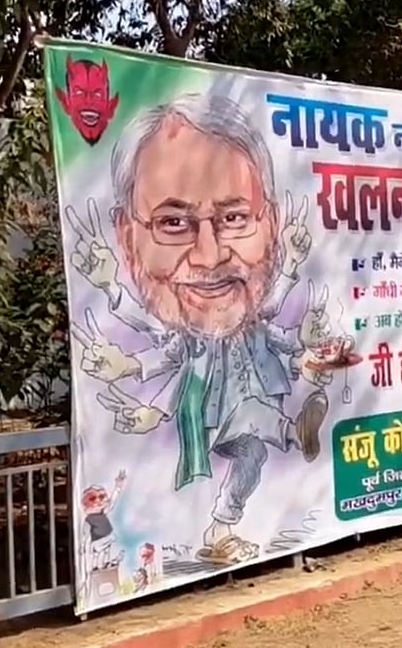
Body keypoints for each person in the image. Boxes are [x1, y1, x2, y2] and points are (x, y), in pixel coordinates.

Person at [65, 93, 333, 567]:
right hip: (216, 416)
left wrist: (312, 355)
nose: (210, 257)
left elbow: (284, 340)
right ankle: (226, 519)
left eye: (234, 219)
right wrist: (116, 327)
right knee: (251, 446)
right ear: (128, 240)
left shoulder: (255, 320)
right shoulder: (184, 339)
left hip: (251, 402)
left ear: (269, 225)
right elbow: (153, 349)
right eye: (173, 223)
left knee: (256, 437)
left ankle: (283, 443)